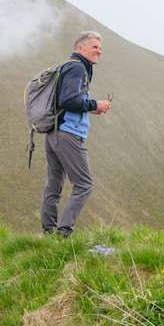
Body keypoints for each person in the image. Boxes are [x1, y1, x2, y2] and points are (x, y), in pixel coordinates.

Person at [40, 31, 111, 238]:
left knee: (54, 184)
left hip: (53, 132)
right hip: (68, 134)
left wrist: (90, 108)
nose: (100, 50)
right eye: (95, 46)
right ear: (80, 48)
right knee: (84, 185)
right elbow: (68, 100)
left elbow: (67, 100)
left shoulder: (68, 67)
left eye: (100, 47)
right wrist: (95, 104)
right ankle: (63, 234)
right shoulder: (77, 68)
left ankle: (49, 233)